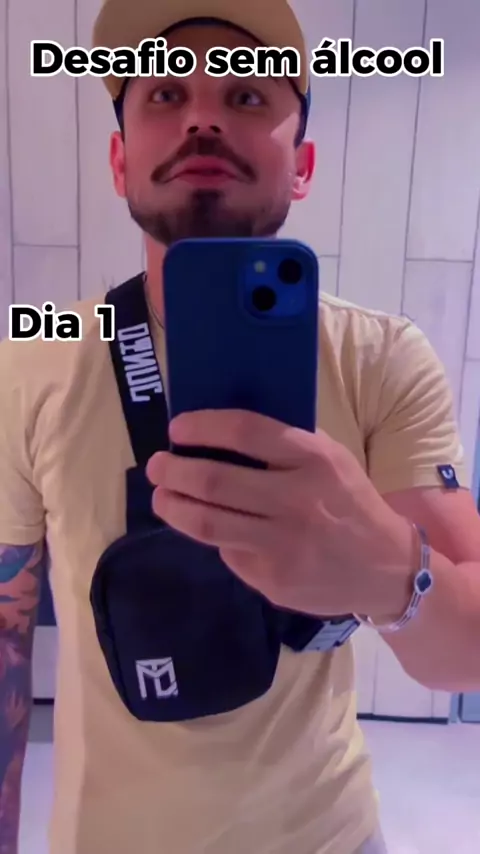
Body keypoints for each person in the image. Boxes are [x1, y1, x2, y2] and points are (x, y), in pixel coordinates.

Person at [1, 1, 479, 853]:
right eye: (164, 94)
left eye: (248, 96)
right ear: (119, 160)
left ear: (303, 168)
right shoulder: (31, 363)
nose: (204, 117)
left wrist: (387, 568)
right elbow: (6, 625)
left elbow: (468, 654)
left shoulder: (380, 359)